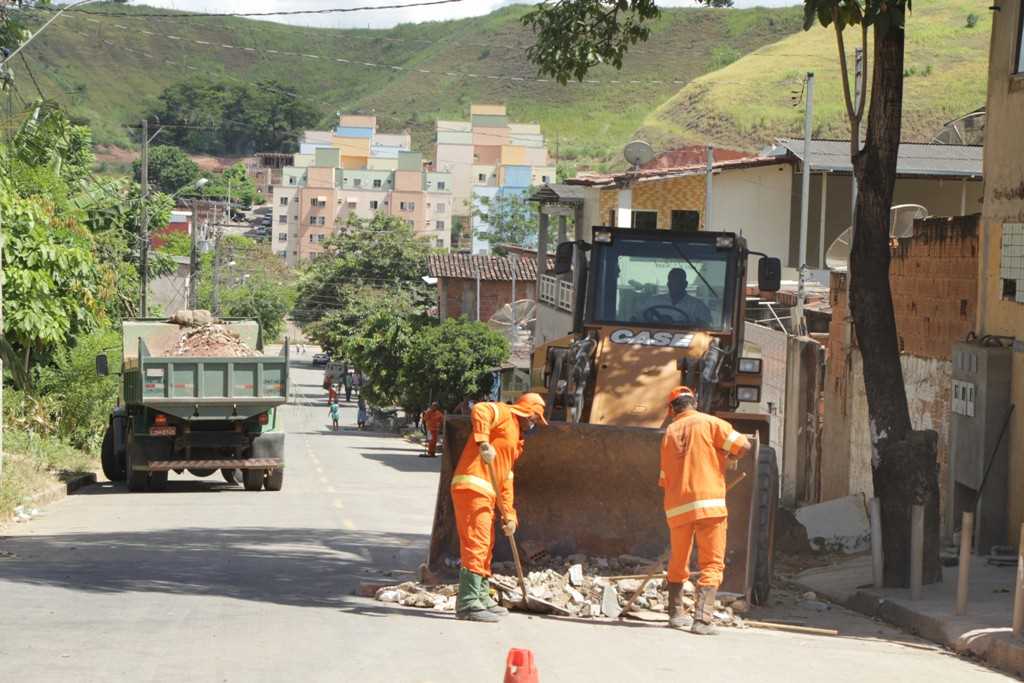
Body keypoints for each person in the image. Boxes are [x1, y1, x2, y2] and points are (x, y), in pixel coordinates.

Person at [659, 386, 751, 636]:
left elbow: (665, 478)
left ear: (671, 410)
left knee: (678, 559)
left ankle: (676, 614)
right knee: (712, 562)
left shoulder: (670, 432)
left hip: (677, 507)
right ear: (695, 402)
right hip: (709, 504)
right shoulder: (712, 423)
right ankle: (702, 620)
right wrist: (723, 454)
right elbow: (743, 446)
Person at [451, 392, 549, 623]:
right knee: (477, 543)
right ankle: (467, 603)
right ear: (527, 411)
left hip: (488, 492)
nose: (533, 424)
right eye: (534, 418)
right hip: (472, 486)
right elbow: (480, 409)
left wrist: (509, 515)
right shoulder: (504, 414)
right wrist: (483, 442)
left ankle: (481, 595)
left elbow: (506, 480)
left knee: (486, 545)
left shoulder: (516, 442)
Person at [645, 268, 712, 326]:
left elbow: (705, 327)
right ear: (668, 284)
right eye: (672, 282)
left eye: (678, 282)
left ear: (685, 284)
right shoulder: (653, 302)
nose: (675, 286)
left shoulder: (698, 306)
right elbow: (638, 318)